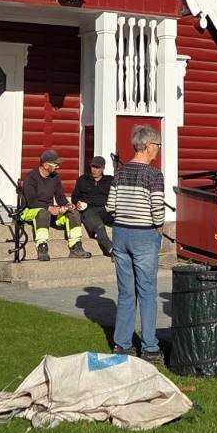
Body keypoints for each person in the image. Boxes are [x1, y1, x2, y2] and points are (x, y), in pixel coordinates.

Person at [107, 125, 168, 360]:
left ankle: (122, 344)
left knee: (125, 292)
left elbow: (110, 206)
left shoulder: (120, 173)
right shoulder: (154, 175)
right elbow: (157, 210)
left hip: (121, 233)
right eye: (158, 146)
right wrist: (159, 227)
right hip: (144, 234)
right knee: (147, 292)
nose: (158, 151)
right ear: (149, 145)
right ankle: (150, 347)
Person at [18, 149, 86, 261]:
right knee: (43, 212)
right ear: (45, 165)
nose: (57, 166)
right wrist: (49, 208)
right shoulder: (31, 177)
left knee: (74, 213)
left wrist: (68, 205)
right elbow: (31, 201)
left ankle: (76, 247)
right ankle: (42, 246)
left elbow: (60, 197)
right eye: (55, 164)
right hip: (30, 210)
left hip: (49, 213)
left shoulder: (55, 177)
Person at [71, 155, 114, 255]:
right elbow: (75, 196)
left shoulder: (110, 180)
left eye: (97, 167)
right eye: (93, 166)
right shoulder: (83, 179)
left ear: (103, 168)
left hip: (105, 210)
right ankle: (110, 248)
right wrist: (77, 203)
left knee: (121, 221)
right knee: (97, 225)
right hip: (89, 210)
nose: (94, 169)